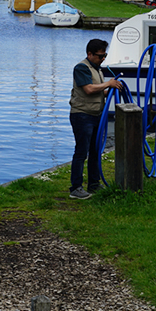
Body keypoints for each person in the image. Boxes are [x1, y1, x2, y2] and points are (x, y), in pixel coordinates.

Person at [68, 38, 122, 199]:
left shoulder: (97, 68)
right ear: (89, 54)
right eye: (100, 56)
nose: (103, 58)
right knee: (81, 152)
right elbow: (89, 89)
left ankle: (94, 184)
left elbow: (98, 90)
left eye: (104, 55)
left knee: (95, 151)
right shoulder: (81, 68)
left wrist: (112, 88)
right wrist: (108, 84)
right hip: (82, 115)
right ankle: (76, 188)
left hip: (96, 115)